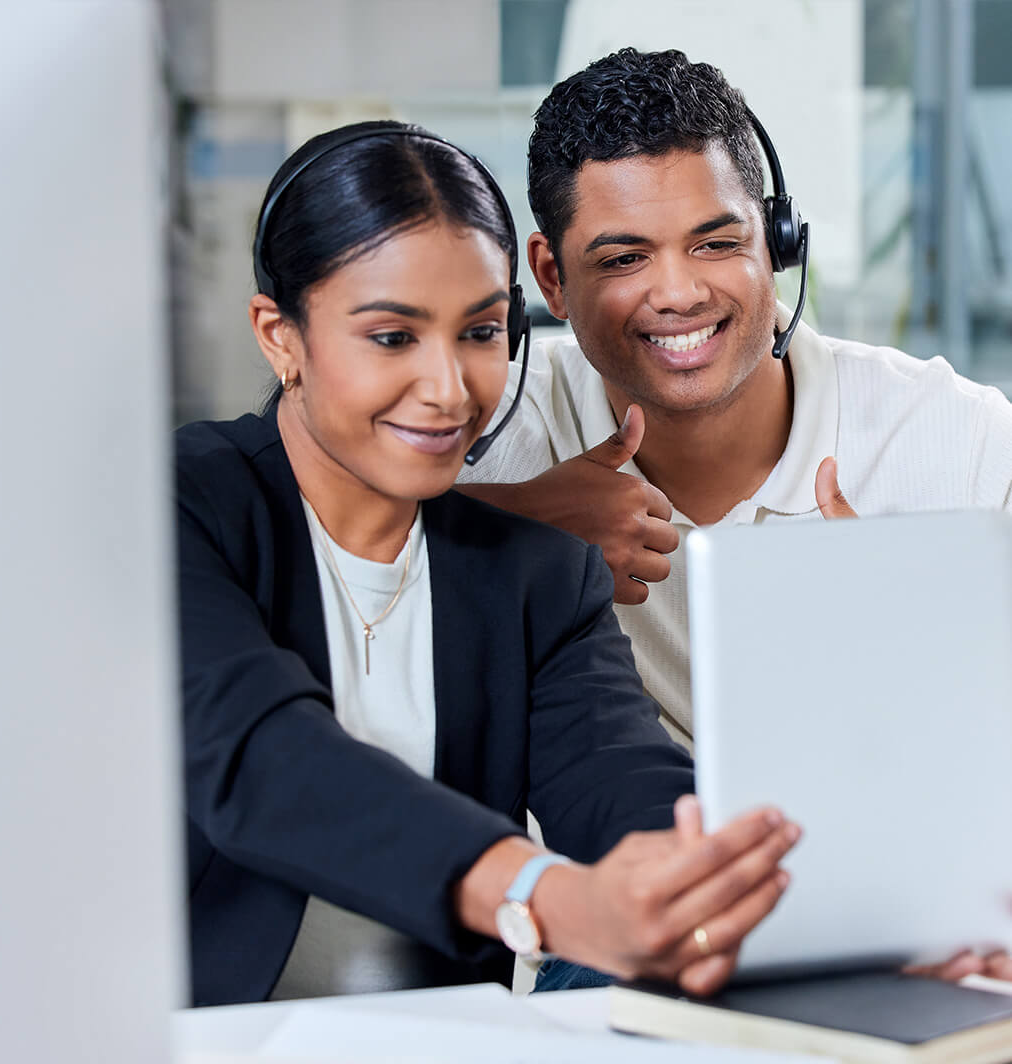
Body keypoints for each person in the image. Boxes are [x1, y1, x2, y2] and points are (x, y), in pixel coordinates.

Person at [176, 120, 801, 1007]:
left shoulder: (535, 576)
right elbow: (263, 758)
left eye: (479, 332)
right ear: (281, 337)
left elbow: (624, 785)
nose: (447, 388)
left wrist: (720, 888)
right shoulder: (184, 509)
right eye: (392, 337)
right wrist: (544, 894)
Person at [457, 47, 1012, 990]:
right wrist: (516, 524)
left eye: (717, 243)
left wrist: (913, 645)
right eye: (625, 258)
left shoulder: (956, 442)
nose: (679, 292)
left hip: (906, 930)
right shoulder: (492, 423)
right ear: (549, 278)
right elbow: (303, 527)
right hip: (626, 950)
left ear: (778, 241)